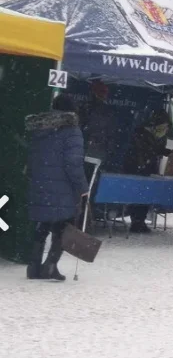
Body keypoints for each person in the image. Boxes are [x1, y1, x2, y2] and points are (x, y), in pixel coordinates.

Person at [25, 93, 88, 281]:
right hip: (62, 187)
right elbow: (73, 163)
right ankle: (50, 267)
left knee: (42, 225)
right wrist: (83, 187)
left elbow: (32, 156)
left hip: (39, 183)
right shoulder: (71, 129)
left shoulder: (40, 127)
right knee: (62, 226)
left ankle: (33, 267)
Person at [123, 110, 173, 233]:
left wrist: (168, 152)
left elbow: (155, 149)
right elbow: (148, 151)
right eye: (164, 127)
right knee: (140, 197)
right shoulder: (142, 134)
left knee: (143, 197)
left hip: (143, 169)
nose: (165, 130)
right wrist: (144, 165)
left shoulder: (147, 134)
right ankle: (137, 222)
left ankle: (139, 221)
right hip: (140, 169)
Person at [78, 80, 118, 162]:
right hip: (94, 148)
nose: (105, 96)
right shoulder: (86, 108)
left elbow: (111, 132)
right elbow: (111, 132)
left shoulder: (85, 107)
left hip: (88, 147)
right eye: (103, 93)